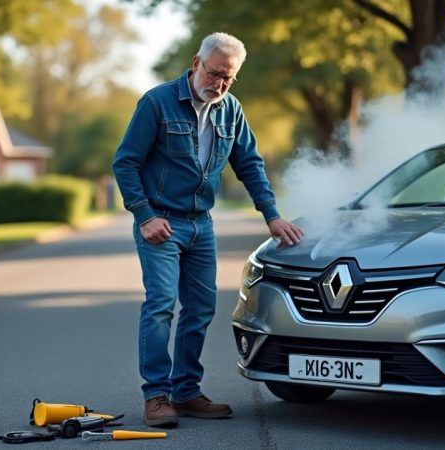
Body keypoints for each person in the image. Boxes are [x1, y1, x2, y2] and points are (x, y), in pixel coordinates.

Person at [112, 32, 304, 428]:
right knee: (161, 304)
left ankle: (185, 391)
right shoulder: (157, 102)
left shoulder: (231, 109)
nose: (219, 84)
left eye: (228, 78)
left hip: (202, 224)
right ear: (196, 63)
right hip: (161, 223)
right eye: (214, 74)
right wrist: (145, 216)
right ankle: (156, 396)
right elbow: (126, 163)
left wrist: (272, 215)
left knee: (200, 308)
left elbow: (249, 164)